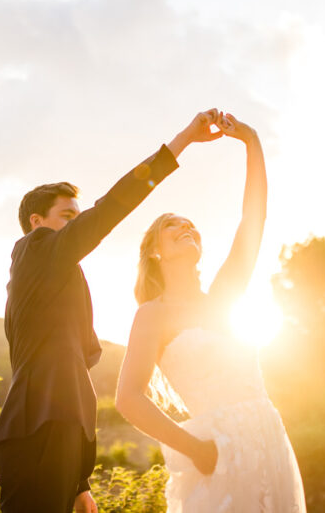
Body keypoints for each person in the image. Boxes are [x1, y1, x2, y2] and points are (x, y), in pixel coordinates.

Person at [0, 109, 226, 513]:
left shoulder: (54, 282)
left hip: (55, 435)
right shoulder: (33, 250)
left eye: (78, 217)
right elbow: (113, 205)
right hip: (36, 434)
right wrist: (183, 139)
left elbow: (62, 364)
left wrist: (79, 480)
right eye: (68, 216)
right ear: (36, 222)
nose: (78, 223)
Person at [115, 112, 306, 512]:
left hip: (269, 439)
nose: (188, 228)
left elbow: (254, 219)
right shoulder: (153, 315)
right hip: (215, 452)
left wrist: (252, 142)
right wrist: (196, 450)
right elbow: (129, 399)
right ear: (155, 250)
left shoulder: (223, 296)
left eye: (192, 225)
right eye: (174, 227)